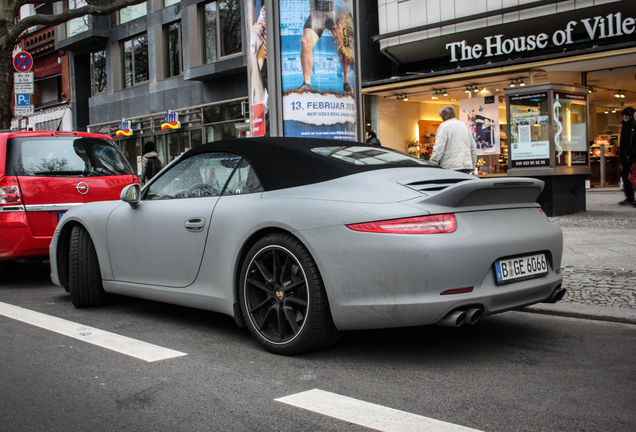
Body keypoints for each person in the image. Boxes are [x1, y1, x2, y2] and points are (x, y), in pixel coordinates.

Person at [297, 0, 352, 95]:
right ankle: (307, 83)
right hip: (317, 14)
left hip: (332, 14)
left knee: (345, 45)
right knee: (305, 42)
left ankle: (346, 81)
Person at [430, 105, 477, 173]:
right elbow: (473, 147)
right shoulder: (464, 126)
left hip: (450, 166)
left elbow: (439, 147)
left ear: (443, 116)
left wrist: (433, 163)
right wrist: (473, 164)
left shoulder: (444, 126)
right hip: (466, 164)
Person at [619, 107, 635, 205]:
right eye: (624, 115)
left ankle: (630, 197)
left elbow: (632, 142)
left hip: (631, 155)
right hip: (626, 154)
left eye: (627, 115)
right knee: (626, 176)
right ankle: (629, 197)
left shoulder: (632, 126)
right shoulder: (625, 126)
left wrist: (629, 153)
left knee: (630, 176)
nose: (625, 116)